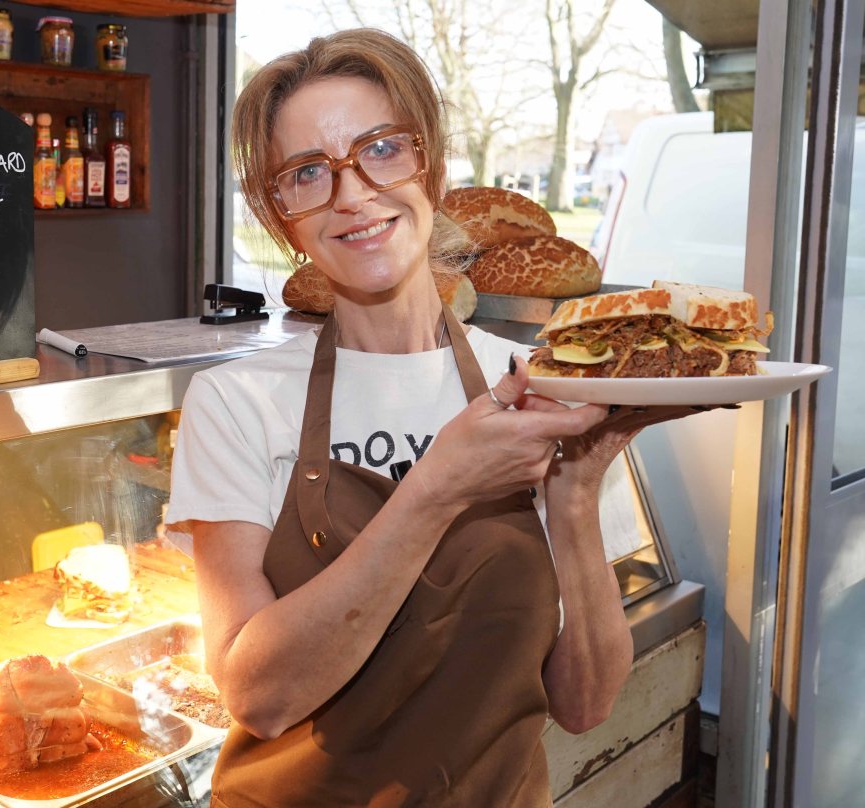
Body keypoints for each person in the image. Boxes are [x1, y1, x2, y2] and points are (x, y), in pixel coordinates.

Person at [166, 27, 693, 807]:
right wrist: (436, 487)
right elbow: (260, 697)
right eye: (308, 173)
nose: (352, 196)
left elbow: (584, 705)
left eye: (381, 149)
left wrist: (575, 491)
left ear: (431, 167)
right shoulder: (235, 405)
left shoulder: (532, 384)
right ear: (283, 219)